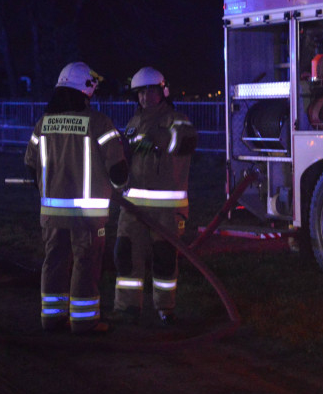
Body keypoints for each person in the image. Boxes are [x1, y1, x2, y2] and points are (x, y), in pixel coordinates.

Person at [24, 62, 127, 334]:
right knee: (86, 262)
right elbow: (118, 171)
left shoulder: (43, 124)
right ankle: (84, 322)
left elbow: (31, 165)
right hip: (87, 216)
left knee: (54, 260)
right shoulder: (99, 123)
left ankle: (52, 318)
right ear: (87, 88)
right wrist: (118, 187)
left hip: (51, 214)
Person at [112, 67, 197, 326]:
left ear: (163, 92)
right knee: (126, 255)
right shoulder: (133, 122)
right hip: (132, 206)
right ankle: (126, 308)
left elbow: (183, 143)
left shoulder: (176, 119)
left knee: (164, 258)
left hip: (166, 209)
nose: (145, 97)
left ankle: (165, 308)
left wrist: (151, 140)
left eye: (150, 91)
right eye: (140, 92)